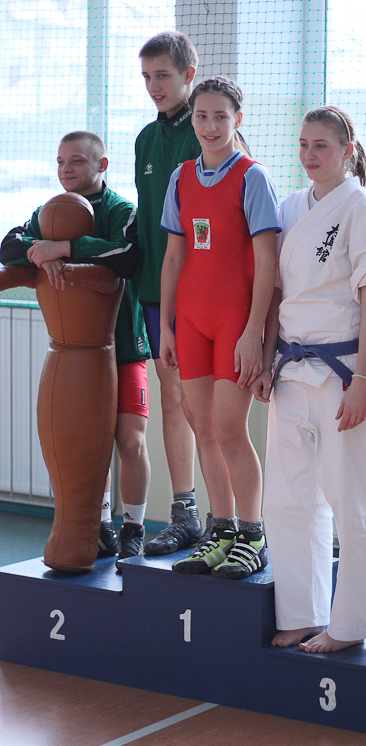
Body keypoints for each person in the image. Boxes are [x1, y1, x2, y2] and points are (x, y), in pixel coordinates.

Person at [252, 106, 366, 651]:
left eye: (322, 146)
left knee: (352, 503)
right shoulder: (291, 207)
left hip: (343, 373)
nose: (310, 155)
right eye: (304, 145)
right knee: (287, 500)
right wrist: (266, 359)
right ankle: (302, 613)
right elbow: (276, 293)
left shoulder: (365, 210)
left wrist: (363, 379)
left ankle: (351, 624)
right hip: (290, 368)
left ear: (347, 151)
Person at [0, 131, 151, 569]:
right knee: (89, 444)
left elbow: (128, 255)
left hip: (124, 347)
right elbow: (9, 246)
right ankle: (99, 526)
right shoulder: (49, 212)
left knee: (129, 441)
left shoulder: (121, 210)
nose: (66, 169)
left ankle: (134, 528)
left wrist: (66, 247)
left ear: (102, 165)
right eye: (61, 161)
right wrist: (40, 251)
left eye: (77, 161)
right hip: (79, 355)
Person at [160, 76, 280, 579]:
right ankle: (222, 529)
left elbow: (268, 262)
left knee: (230, 431)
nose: (210, 126)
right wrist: (167, 326)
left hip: (235, 319)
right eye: (201, 116)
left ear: (238, 119)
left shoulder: (253, 177)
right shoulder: (181, 176)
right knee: (203, 427)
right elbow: (174, 256)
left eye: (220, 117)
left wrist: (254, 332)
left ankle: (254, 535)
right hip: (190, 319)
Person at [134, 31, 208, 557]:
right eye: (146, 77)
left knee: (208, 408)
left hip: (202, 294)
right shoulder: (145, 139)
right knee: (173, 398)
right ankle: (186, 513)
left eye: (162, 75)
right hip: (154, 293)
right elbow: (145, 221)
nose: (154, 86)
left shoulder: (207, 133)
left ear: (188, 75)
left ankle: (230, 520)